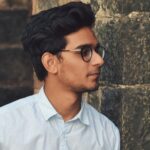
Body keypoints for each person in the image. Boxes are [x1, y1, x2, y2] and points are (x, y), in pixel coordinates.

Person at [0, 1, 120, 150]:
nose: (99, 60)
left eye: (96, 50)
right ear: (51, 63)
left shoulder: (107, 134)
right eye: (84, 52)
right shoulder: (6, 127)